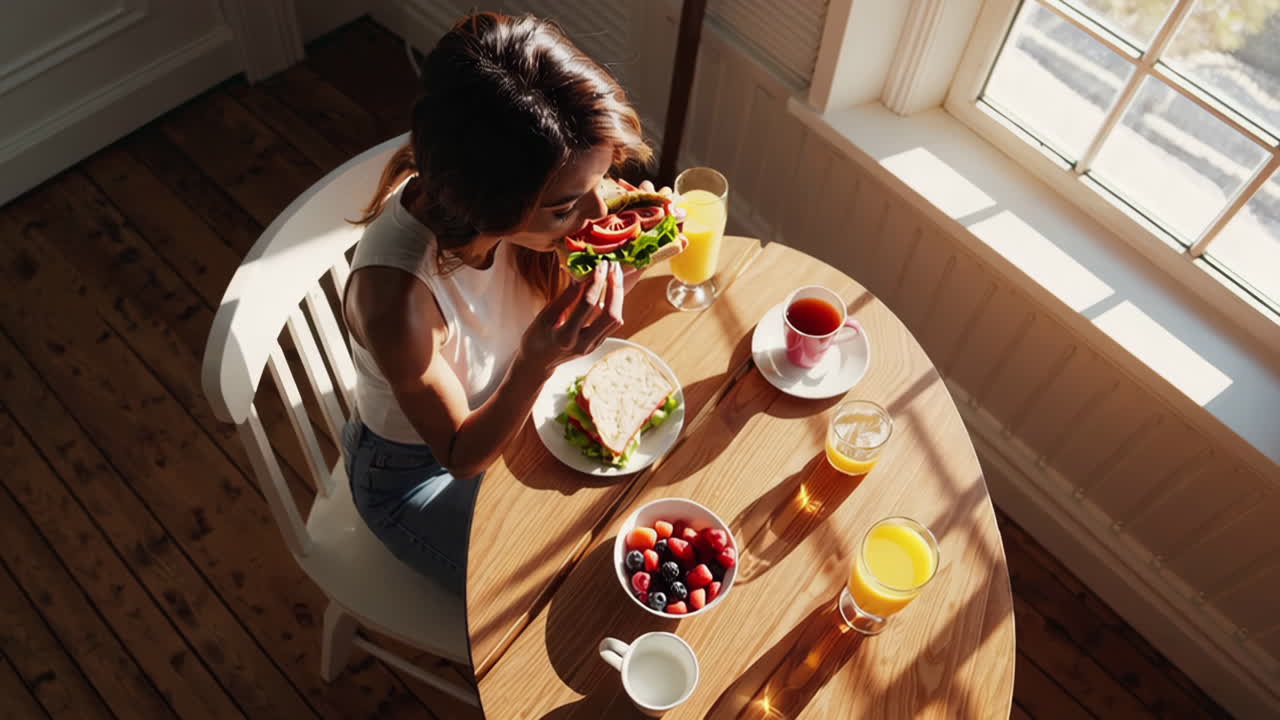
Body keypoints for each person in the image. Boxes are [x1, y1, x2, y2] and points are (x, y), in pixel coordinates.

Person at [339, 12, 680, 661]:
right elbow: (461, 455)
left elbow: (578, 229)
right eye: (567, 207)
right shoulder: (398, 300)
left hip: (512, 407)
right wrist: (536, 362)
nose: (599, 210)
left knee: (627, 520)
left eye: (599, 179)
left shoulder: (536, 191)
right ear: (491, 203)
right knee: (569, 597)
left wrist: (634, 248)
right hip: (416, 477)